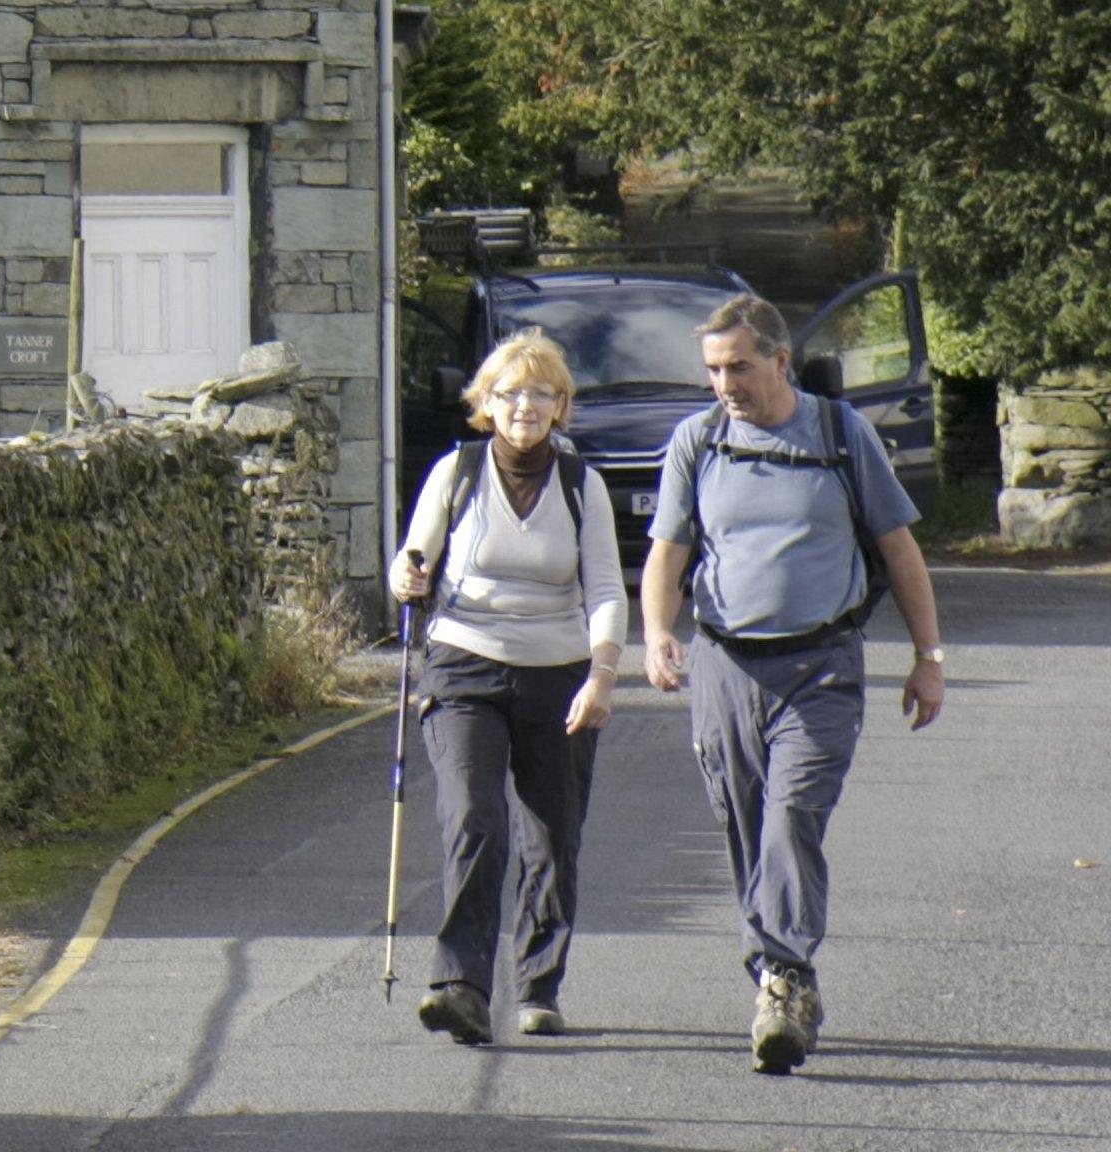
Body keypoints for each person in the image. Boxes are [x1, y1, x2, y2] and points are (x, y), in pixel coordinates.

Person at [641, 293, 945, 1075]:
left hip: (822, 669)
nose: (725, 384)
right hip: (724, 666)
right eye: (713, 369)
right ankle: (781, 973)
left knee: (790, 819)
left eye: (738, 366)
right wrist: (656, 634)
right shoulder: (698, 441)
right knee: (746, 827)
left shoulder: (843, 435)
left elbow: (900, 549)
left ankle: (783, 978)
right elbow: (668, 556)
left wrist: (928, 658)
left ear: (780, 360)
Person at [389, 329, 627, 1045]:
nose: (526, 405)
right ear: (485, 404)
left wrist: (603, 676)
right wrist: (406, 575)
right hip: (464, 664)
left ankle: (538, 986)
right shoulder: (455, 472)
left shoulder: (582, 484)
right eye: (511, 392)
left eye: (542, 393)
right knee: (474, 817)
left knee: (552, 839)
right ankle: (459, 985)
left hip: (559, 676)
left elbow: (608, 589)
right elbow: (411, 557)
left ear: (562, 407)